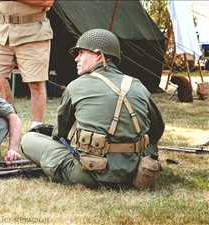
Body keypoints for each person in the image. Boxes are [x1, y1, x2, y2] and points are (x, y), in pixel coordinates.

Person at [21, 29, 165, 187]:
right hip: (134, 171)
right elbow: (157, 129)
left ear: (98, 54)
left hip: (89, 173)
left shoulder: (76, 86)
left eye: (81, 53)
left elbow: (60, 134)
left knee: (29, 139)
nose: (76, 59)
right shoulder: (138, 86)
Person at [0, 0, 55, 129]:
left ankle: (36, 129)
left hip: (33, 30)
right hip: (3, 29)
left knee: (36, 83)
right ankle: (9, 119)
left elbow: (47, 1)